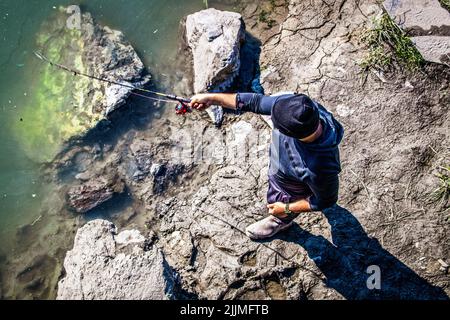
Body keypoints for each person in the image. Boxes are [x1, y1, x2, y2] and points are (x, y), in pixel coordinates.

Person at [188, 92, 344, 240]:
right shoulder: (301, 106)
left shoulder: (319, 168)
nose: (270, 113)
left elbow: (326, 201)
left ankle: (280, 221)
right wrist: (211, 98)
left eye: (275, 120)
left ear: (288, 133)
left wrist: (286, 208)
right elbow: (255, 102)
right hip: (284, 157)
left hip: (289, 184)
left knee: (279, 201)